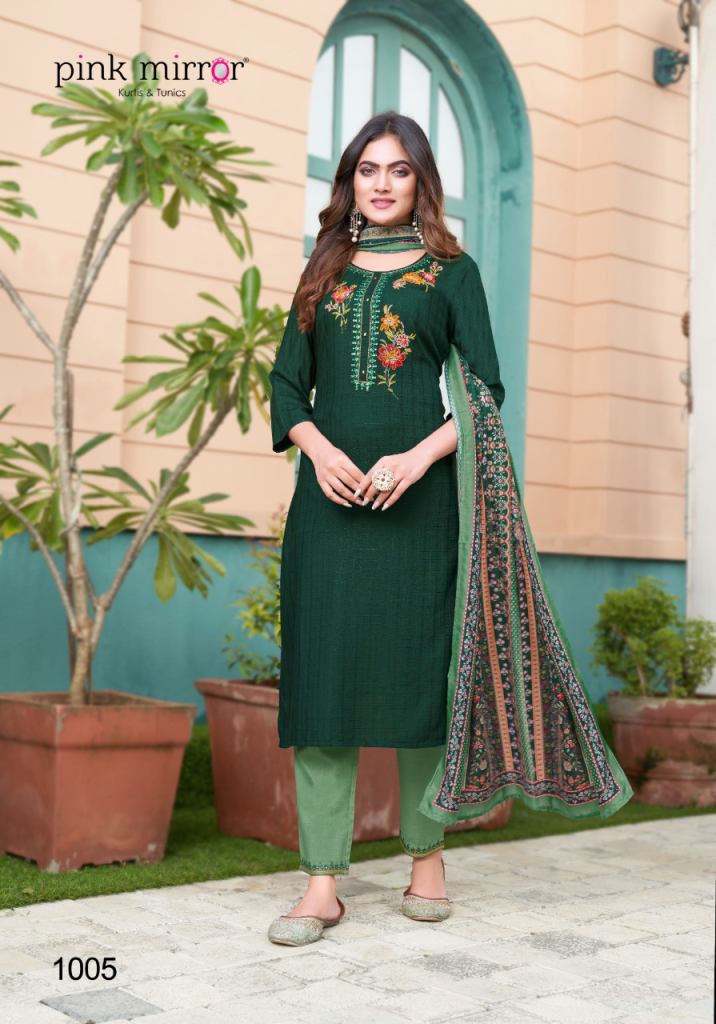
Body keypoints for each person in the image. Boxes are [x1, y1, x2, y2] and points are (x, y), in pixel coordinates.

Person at [266, 112, 633, 947]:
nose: (381, 183)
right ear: (350, 182)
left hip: (422, 510)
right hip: (327, 511)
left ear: (421, 182)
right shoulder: (321, 272)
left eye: (398, 170)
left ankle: (426, 861)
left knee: (421, 682)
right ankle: (321, 883)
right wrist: (319, 451)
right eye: (367, 169)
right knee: (322, 684)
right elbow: (287, 385)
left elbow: (485, 391)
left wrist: (418, 457)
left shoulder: (452, 273)